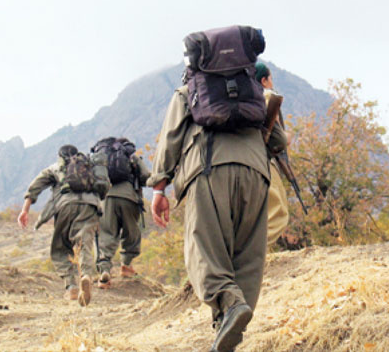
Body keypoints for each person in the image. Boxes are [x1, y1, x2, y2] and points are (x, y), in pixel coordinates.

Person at [148, 43, 286, 352]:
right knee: (247, 257)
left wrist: (159, 188)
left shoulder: (188, 92)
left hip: (208, 172)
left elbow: (171, 139)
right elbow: (278, 141)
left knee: (204, 251)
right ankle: (228, 328)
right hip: (255, 175)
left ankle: (229, 305)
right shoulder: (254, 91)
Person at [17, 145, 106, 306]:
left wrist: (25, 210)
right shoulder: (89, 166)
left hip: (65, 206)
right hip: (90, 205)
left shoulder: (55, 167)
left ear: (60, 156)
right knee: (84, 242)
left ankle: (71, 286)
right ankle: (86, 275)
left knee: (61, 247)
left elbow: (35, 186)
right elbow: (104, 185)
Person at [95, 138, 150, 288]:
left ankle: (104, 271)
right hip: (129, 197)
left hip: (106, 198)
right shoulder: (130, 155)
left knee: (107, 234)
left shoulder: (103, 157)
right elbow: (145, 175)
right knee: (131, 231)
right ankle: (126, 266)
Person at [255, 62, 290, 246]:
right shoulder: (267, 97)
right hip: (261, 161)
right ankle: (253, 254)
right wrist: (286, 137)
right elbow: (278, 140)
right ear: (264, 80)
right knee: (278, 213)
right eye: (270, 79)